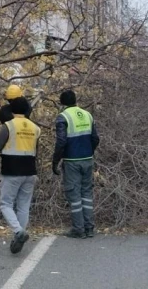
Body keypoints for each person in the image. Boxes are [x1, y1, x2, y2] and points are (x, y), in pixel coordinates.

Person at [0, 96, 40, 254]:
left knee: (5, 204)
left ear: (11, 109)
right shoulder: (35, 128)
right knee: (23, 205)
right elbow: (36, 150)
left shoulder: (9, 125)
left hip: (11, 169)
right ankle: (19, 235)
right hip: (30, 170)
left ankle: (18, 232)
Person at [52, 90, 100, 239]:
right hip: (88, 159)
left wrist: (55, 161)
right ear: (75, 100)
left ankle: (78, 229)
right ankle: (89, 228)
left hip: (72, 161)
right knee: (86, 194)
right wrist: (88, 151)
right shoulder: (87, 115)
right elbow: (95, 138)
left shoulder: (63, 117)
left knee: (74, 195)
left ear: (62, 103)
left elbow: (61, 141)